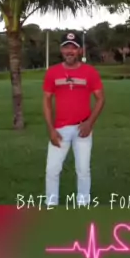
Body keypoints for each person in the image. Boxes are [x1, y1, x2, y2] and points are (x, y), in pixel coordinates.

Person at [43, 31, 104, 206]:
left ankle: (82, 205)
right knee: (52, 170)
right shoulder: (53, 72)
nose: (69, 51)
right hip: (60, 129)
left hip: (82, 128)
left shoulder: (90, 72)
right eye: (66, 47)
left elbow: (101, 99)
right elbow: (46, 100)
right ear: (61, 50)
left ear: (80, 51)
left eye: (73, 48)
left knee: (83, 170)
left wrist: (89, 123)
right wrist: (51, 129)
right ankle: (51, 205)